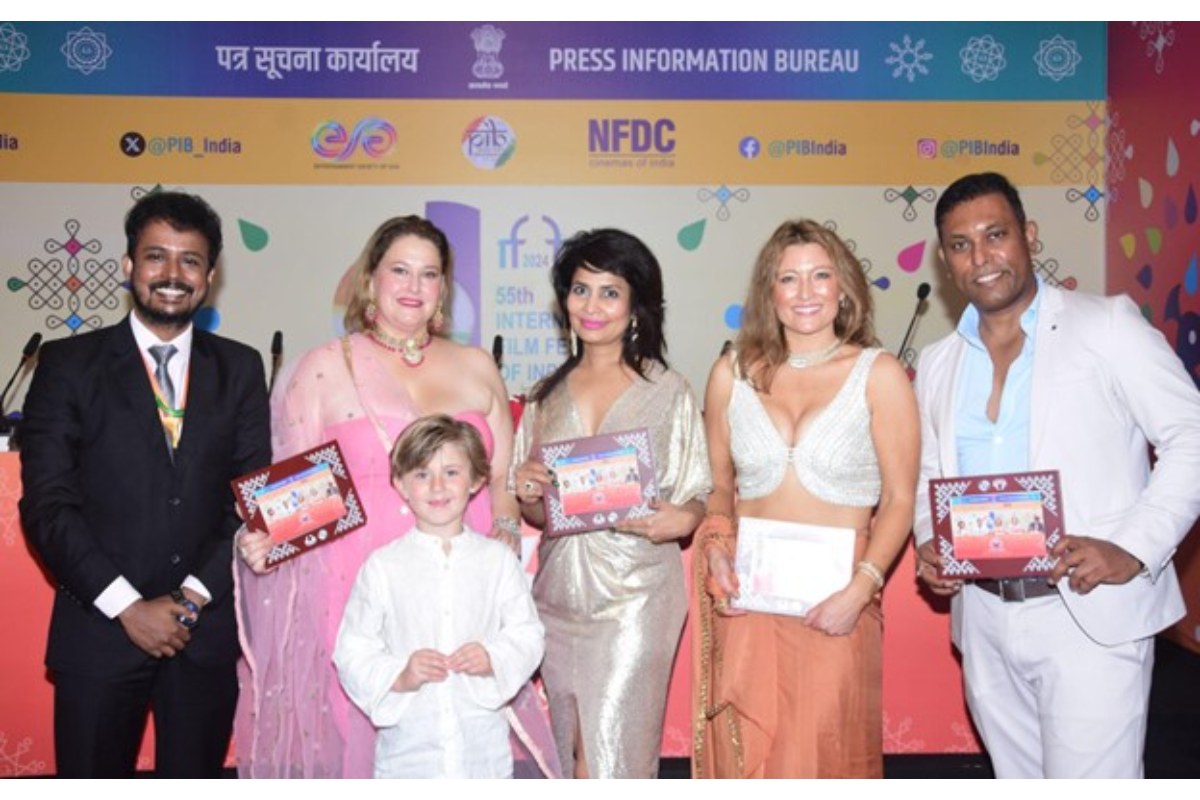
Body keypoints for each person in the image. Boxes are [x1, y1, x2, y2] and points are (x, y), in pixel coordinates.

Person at [914, 172, 1200, 778]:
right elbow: (928, 474)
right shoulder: (938, 364)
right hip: (984, 619)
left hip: (1087, 611)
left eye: (995, 235)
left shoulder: (1107, 325)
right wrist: (930, 539)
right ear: (945, 261)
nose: (981, 257)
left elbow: (1190, 436)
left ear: (1029, 235)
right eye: (961, 244)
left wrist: (1134, 547)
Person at [234, 215, 536, 778]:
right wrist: (266, 537)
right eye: (400, 270)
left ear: (444, 288)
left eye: (429, 274)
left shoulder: (475, 366)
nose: (414, 286)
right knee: (365, 738)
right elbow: (295, 487)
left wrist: (505, 533)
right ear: (370, 279)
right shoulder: (324, 367)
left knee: (462, 728)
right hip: (356, 584)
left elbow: (503, 479)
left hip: (462, 582)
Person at [19, 192, 271, 777]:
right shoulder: (68, 364)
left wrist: (191, 599)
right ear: (129, 265)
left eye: (190, 260)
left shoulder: (240, 367)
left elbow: (250, 499)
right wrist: (128, 608)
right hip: (99, 630)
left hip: (203, 633)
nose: (172, 274)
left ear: (210, 276)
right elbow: (49, 506)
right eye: (157, 256)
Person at [692, 219, 918, 778]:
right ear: (768, 291)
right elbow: (718, 486)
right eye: (788, 278)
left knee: (820, 756)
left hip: (836, 605)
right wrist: (717, 550)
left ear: (844, 287)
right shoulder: (730, 374)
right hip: (749, 603)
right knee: (748, 761)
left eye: (820, 275)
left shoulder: (879, 374)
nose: (805, 292)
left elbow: (900, 499)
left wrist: (861, 589)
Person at [512, 228, 711, 778]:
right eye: (580, 290)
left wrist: (684, 518)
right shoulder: (543, 397)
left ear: (635, 305)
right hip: (559, 597)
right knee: (571, 749)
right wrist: (529, 493)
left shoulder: (668, 390)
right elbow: (540, 515)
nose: (592, 306)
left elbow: (698, 492)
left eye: (609, 292)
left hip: (635, 597)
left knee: (612, 753)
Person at [333, 415, 544, 778]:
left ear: (476, 480)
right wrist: (400, 675)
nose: (437, 487)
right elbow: (352, 649)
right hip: (408, 754)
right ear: (400, 485)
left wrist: (493, 657)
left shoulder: (497, 560)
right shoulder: (383, 566)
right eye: (421, 474)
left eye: (451, 472)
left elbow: (528, 634)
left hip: (482, 753)